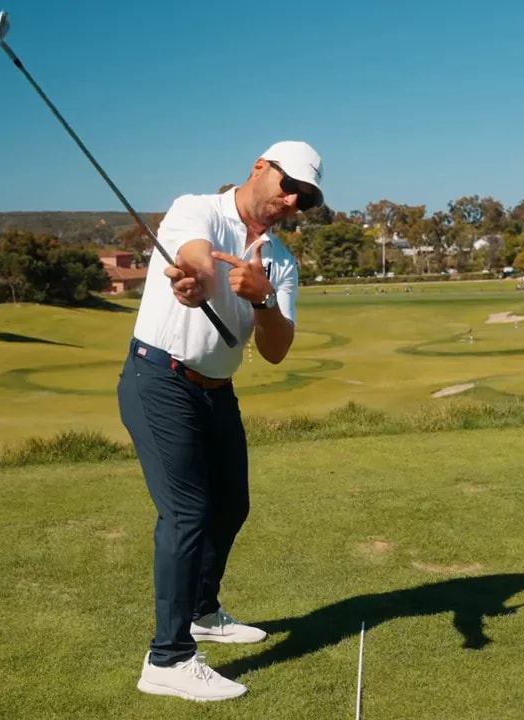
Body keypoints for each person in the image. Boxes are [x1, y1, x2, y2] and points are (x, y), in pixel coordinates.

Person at [116, 140, 324, 702]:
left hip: (218, 391)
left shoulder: (281, 263)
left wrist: (262, 299)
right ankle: (168, 659)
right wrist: (196, 284)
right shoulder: (198, 208)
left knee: (232, 504)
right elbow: (197, 261)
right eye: (287, 185)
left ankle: (204, 612)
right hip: (160, 379)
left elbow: (278, 349)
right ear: (260, 167)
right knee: (187, 513)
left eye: (303, 198)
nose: (291, 200)